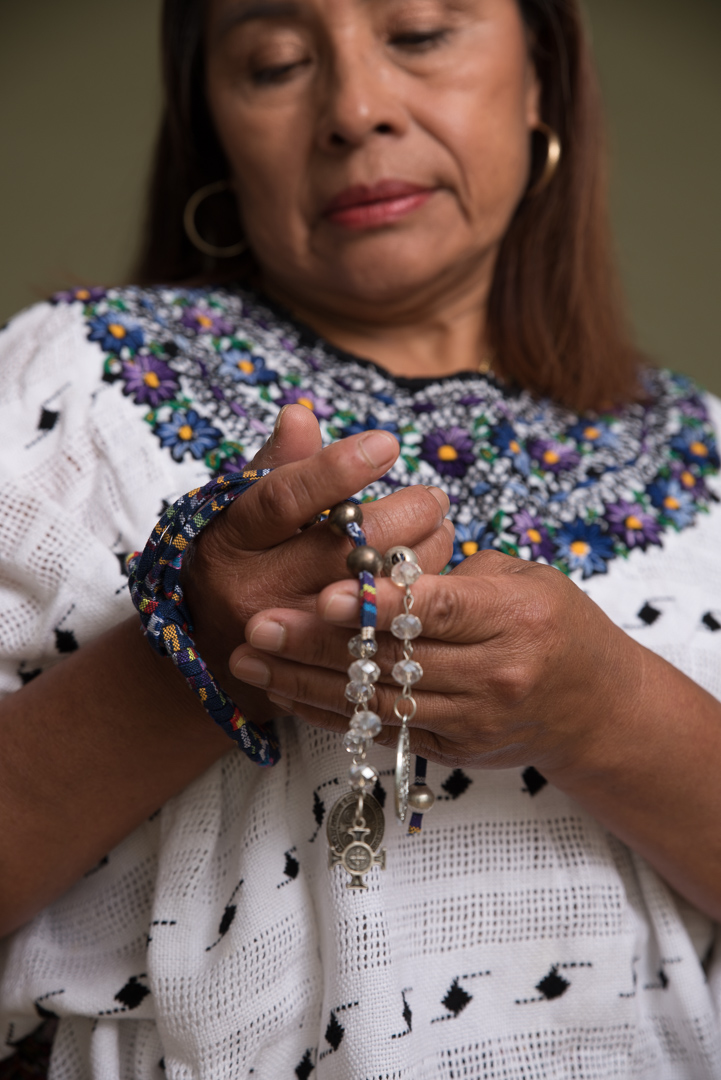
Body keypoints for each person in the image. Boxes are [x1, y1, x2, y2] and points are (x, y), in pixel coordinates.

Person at [1, 0, 720, 1076]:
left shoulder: (705, 455)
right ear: (214, 122)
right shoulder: (66, 390)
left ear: (541, 79)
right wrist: (202, 649)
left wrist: (600, 707)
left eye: (420, 33)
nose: (355, 109)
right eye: (275, 62)